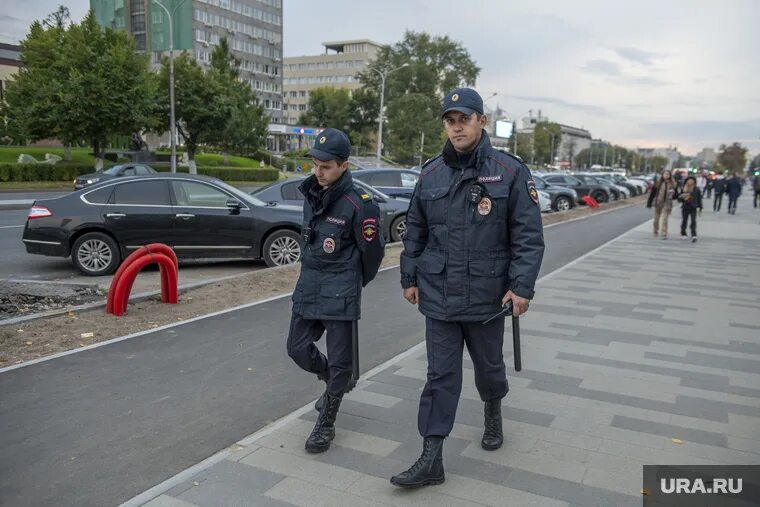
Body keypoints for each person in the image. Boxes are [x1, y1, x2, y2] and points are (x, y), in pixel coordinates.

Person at [391, 88, 545, 488]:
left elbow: (527, 237)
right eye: (449, 119)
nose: (456, 126)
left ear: (481, 121)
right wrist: (409, 277)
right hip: (439, 295)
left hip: (487, 297)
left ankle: (493, 409)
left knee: (489, 368)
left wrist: (521, 288)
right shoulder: (430, 173)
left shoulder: (509, 172)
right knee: (440, 375)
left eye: (464, 118)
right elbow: (416, 232)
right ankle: (431, 456)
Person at [286, 128, 385, 454]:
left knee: (343, 362)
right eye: (315, 164)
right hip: (310, 285)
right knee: (297, 348)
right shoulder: (312, 193)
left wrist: (354, 283)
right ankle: (332, 380)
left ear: (343, 165)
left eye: (325, 166)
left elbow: (373, 254)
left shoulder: (360, 204)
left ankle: (326, 422)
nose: (318, 171)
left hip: (341, 290)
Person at [646, 169, 677, 239]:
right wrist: (649, 203)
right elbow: (652, 194)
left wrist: (673, 193)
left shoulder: (673, 184)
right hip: (658, 202)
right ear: (662, 175)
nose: (666, 175)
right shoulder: (658, 183)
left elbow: (676, 196)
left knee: (665, 219)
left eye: (668, 174)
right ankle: (655, 230)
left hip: (667, 203)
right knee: (656, 219)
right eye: (665, 174)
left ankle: (664, 233)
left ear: (670, 175)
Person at [678, 175, 702, 242]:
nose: (690, 181)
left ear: (694, 182)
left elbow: (699, 199)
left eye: (692, 180)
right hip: (685, 207)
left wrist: (700, 207)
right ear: (687, 181)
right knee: (684, 221)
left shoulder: (697, 189)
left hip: (693, 207)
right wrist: (682, 197)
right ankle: (683, 233)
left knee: (693, 221)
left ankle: (694, 235)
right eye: (689, 180)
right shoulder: (683, 188)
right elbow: (679, 199)